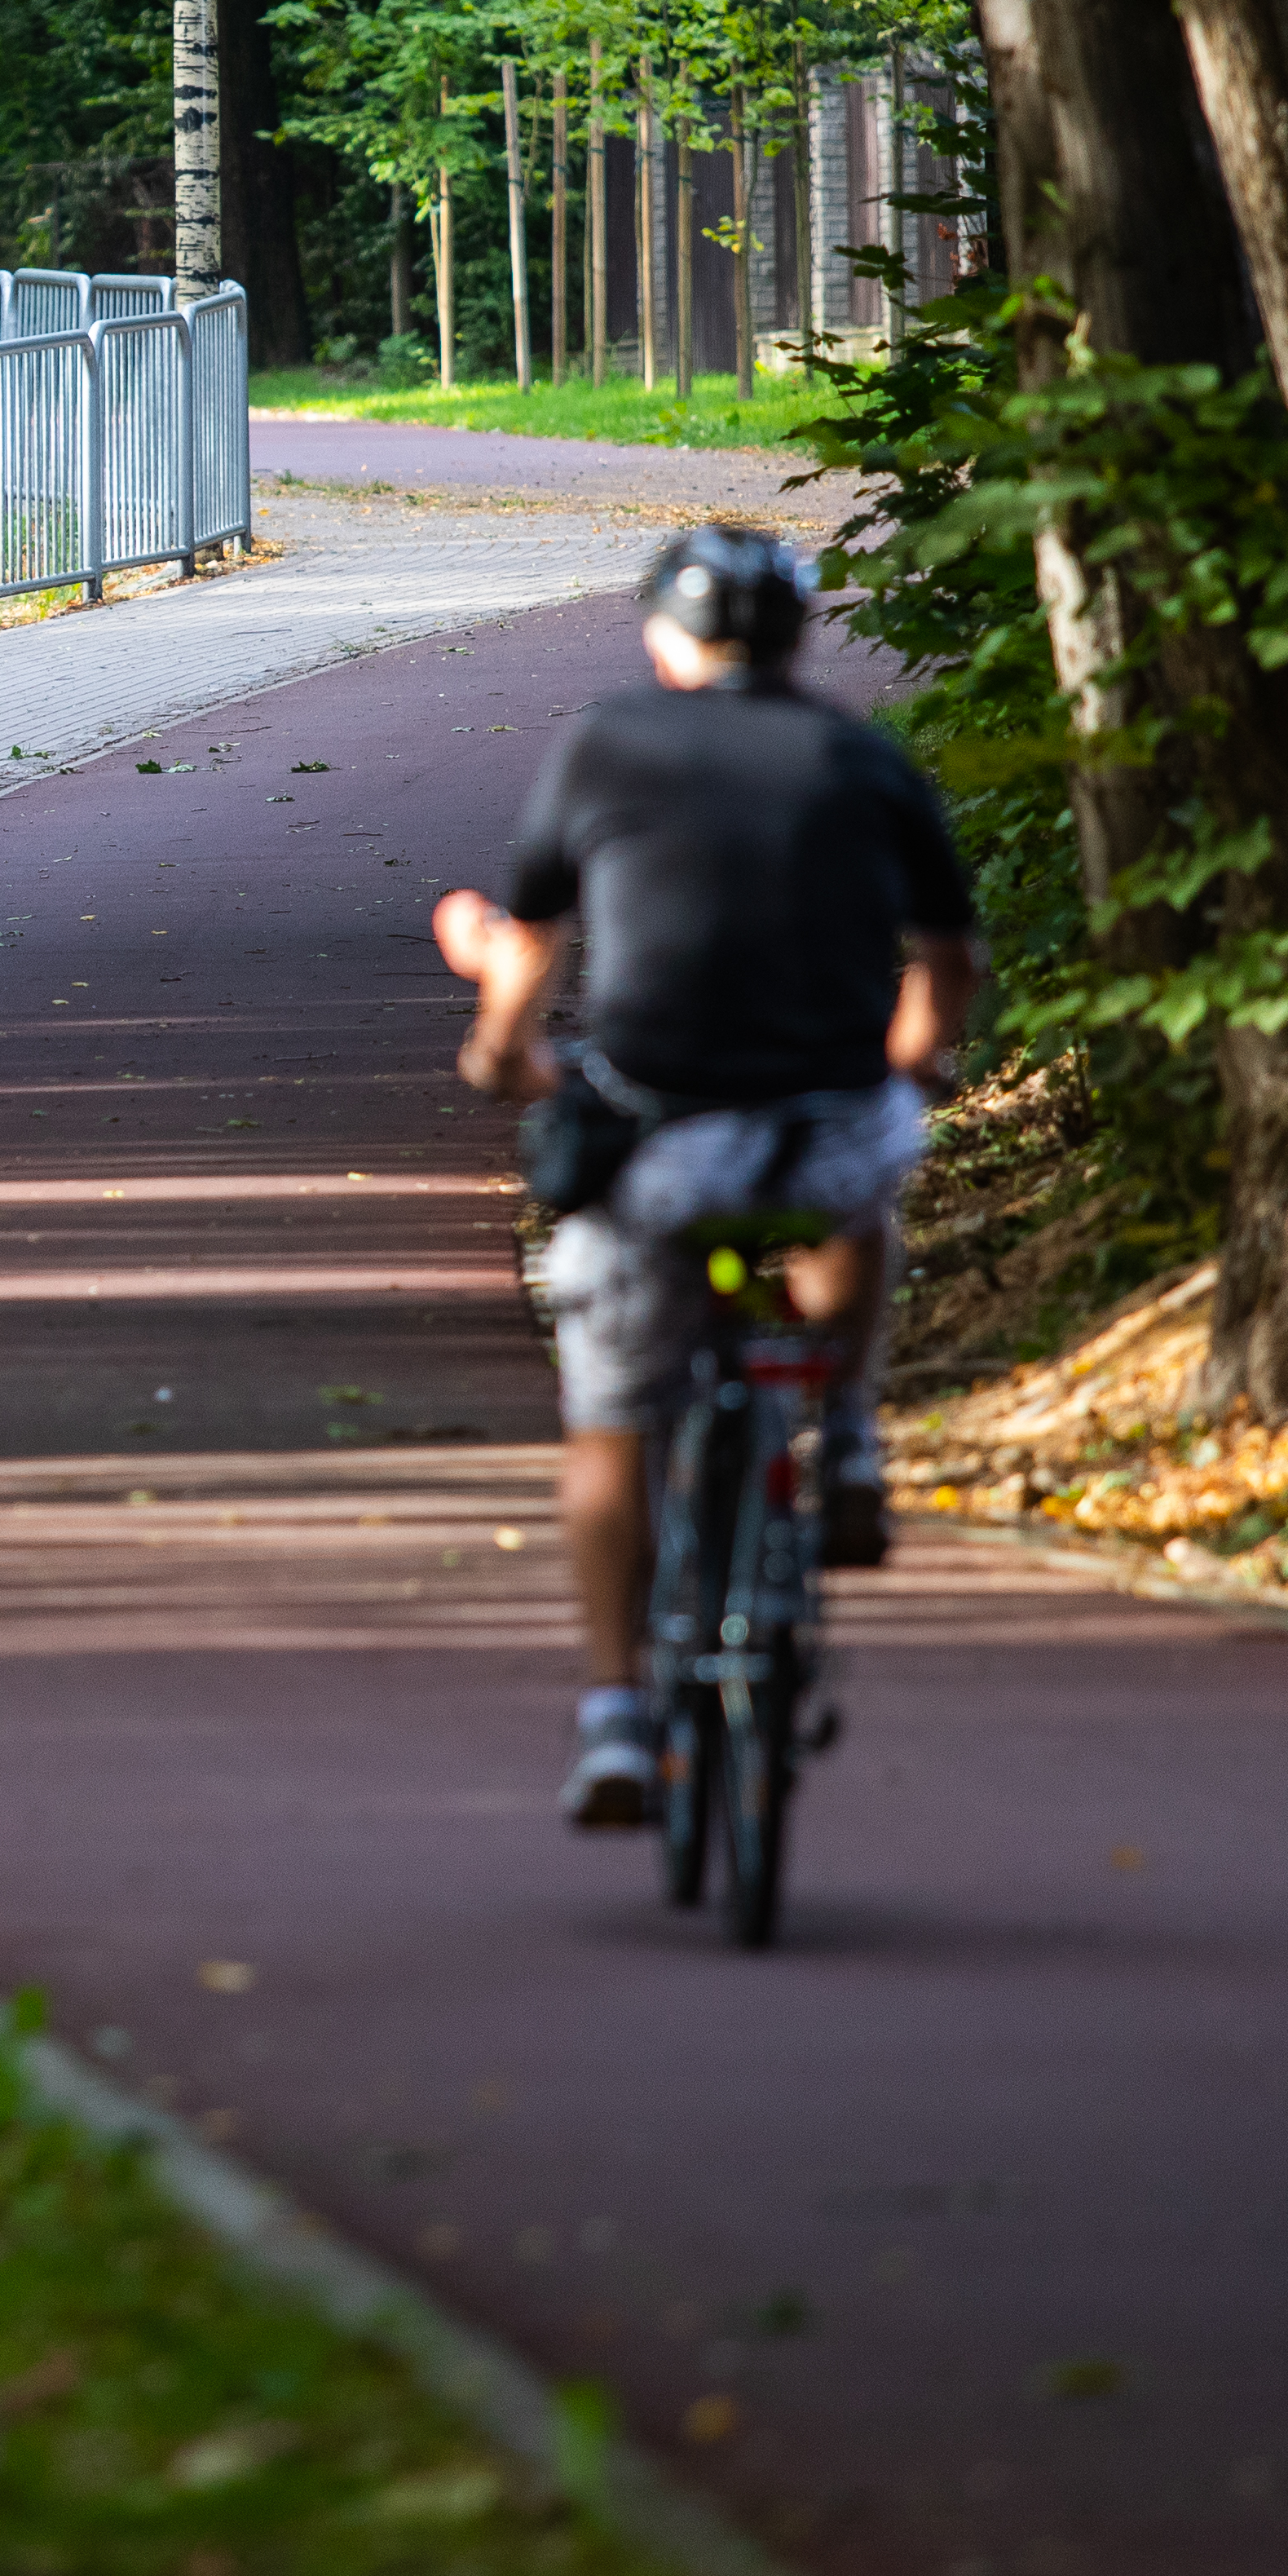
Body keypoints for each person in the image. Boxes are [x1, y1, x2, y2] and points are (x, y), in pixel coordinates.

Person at [433, 526, 981, 1831]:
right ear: (796, 643)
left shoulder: (606, 745)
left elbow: (527, 960)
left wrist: (499, 1050)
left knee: (612, 1418)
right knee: (859, 1185)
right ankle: (846, 1428)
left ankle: (617, 1714)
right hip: (827, 1133)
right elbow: (947, 958)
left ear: (663, 638)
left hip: (661, 1145)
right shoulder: (862, 756)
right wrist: (907, 1071)